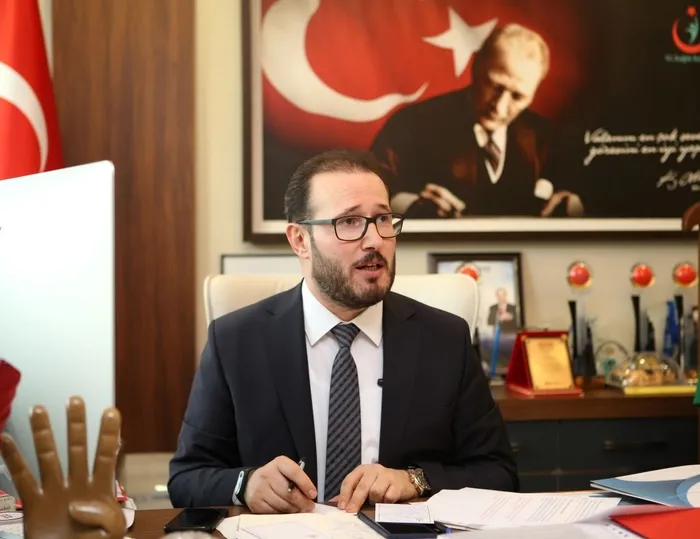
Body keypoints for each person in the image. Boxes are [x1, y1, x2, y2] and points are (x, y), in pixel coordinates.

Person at [168, 149, 518, 513]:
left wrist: (414, 480)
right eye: (349, 222)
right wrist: (245, 484)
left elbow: (499, 473)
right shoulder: (235, 341)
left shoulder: (444, 340)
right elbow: (187, 478)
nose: (375, 240)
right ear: (300, 240)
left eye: (383, 219)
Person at [371, 23, 583, 218]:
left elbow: (584, 191)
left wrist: (573, 205)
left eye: (518, 96)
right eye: (494, 86)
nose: (499, 106)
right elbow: (369, 192)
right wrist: (412, 206)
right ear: (475, 67)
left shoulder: (544, 137)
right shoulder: (411, 125)